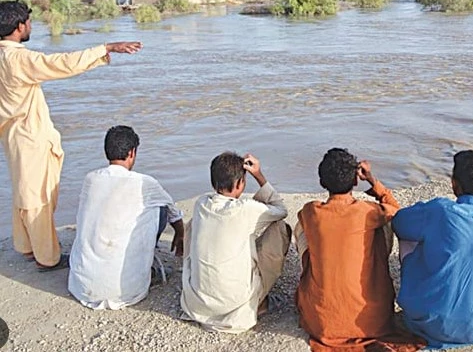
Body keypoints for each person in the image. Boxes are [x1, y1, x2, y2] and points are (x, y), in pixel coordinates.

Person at [0, 0, 142, 271]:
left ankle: (27, 246)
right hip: (30, 137)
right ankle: (46, 257)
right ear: (19, 27)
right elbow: (61, 64)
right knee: (38, 196)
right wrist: (105, 48)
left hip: (12, 136)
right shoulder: (18, 58)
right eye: (28, 22)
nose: (31, 26)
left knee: (24, 189)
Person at [295, 148, 424, 352]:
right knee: (385, 224)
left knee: (302, 228)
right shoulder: (367, 211)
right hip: (375, 320)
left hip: (322, 323)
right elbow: (399, 213)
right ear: (356, 181)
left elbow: (305, 225)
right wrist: (374, 182)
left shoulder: (311, 211)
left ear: (322, 182)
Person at [391, 150, 473, 349]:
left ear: (454, 183)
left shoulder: (439, 210)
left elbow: (399, 222)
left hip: (424, 322)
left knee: (409, 235)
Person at [68, 126, 185, 309]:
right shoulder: (145, 183)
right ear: (132, 153)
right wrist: (180, 233)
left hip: (81, 286)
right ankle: (146, 265)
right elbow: (172, 211)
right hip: (127, 291)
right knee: (159, 208)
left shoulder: (90, 179)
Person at [181, 152, 290, 333]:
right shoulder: (245, 209)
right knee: (280, 228)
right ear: (241, 184)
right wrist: (259, 175)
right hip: (234, 304)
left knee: (193, 224)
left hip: (198, 303)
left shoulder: (201, 203)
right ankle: (259, 303)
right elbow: (281, 210)